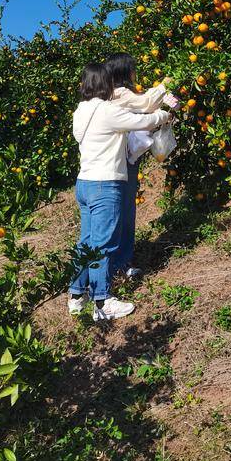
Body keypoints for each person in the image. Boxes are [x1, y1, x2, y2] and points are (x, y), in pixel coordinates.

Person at [69, 63, 171, 321]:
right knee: (104, 244)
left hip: (84, 183)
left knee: (86, 242)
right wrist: (164, 114)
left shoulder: (80, 111)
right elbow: (143, 120)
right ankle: (102, 302)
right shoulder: (107, 110)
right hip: (105, 184)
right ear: (105, 83)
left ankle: (76, 295)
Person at [105, 53, 179, 279]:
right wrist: (165, 85)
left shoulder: (114, 94)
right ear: (124, 71)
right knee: (122, 212)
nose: (135, 73)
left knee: (124, 211)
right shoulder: (119, 93)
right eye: (132, 69)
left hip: (125, 160)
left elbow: (143, 109)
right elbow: (146, 103)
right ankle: (117, 264)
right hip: (121, 161)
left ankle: (121, 262)